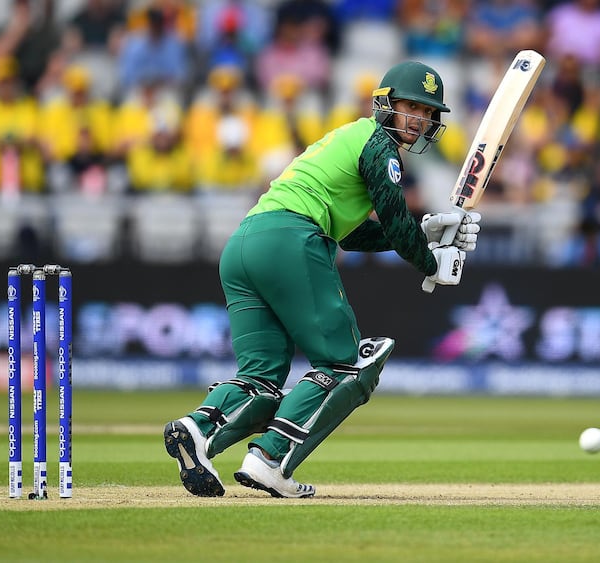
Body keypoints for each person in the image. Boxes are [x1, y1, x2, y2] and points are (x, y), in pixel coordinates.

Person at [163, 60, 480, 498]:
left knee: (262, 378)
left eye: (428, 113)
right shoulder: (379, 145)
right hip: (292, 241)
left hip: (244, 244)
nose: (420, 120)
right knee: (349, 365)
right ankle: (269, 460)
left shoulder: (348, 137)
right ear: (386, 103)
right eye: (413, 107)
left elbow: (354, 235)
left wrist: (421, 232)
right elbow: (392, 216)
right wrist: (431, 262)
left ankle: (196, 430)